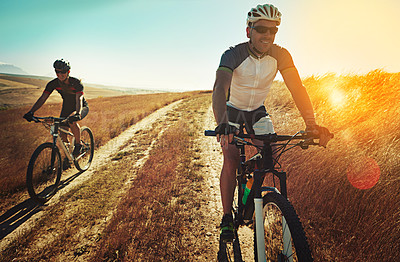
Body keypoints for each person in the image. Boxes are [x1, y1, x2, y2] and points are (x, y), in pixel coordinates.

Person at [212, 4, 332, 241]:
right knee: (232, 157)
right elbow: (219, 88)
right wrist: (222, 123)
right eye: (261, 29)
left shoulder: (281, 55)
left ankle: (252, 190)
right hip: (232, 111)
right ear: (249, 31)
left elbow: (297, 88)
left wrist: (311, 123)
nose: (267, 35)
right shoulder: (233, 54)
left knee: (270, 155)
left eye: (273, 30)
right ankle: (227, 218)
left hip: (257, 111)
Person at [23, 59, 89, 157]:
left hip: (80, 107)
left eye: (62, 72)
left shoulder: (76, 83)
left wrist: (78, 113)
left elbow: (79, 99)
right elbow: (43, 98)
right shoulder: (53, 84)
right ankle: (68, 155)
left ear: (68, 72)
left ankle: (78, 145)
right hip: (66, 107)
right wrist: (31, 112)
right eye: (57, 71)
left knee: (72, 121)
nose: (59, 74)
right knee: (62, 131)